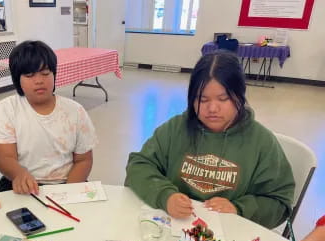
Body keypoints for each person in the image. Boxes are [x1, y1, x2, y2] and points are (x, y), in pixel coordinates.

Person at [125, 50, 294, 229]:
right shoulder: (176, 129)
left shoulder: (262, 142)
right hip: (174, 228)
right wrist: (165, 196)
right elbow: (139, 165)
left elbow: (280, 203)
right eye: (202, 99)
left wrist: (239, 209)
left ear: (240, 95)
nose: (212, 108)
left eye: (223, 99)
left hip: (231, 233)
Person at [0, 40, 98, 194]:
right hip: (22, 183)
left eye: (45, 73)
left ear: (54, 74)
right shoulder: (7, 109)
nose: (39, 80)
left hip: (66, 183)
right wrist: (19, 174)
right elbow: (5, 158)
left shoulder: (75, 111)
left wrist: (67, 192)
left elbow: (83, 160)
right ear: (17, 79)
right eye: (29, 75)